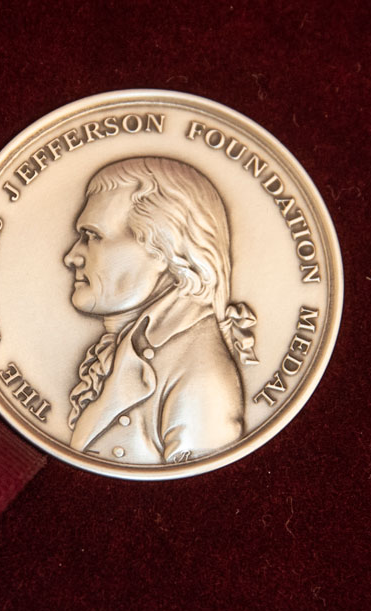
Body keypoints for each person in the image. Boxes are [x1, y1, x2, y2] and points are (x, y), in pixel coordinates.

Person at [62, 156, 258, 464]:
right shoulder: (128, 346)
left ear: (164, 250)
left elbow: (197, 486)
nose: (72, 257)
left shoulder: (201, 376)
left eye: (93, 236)